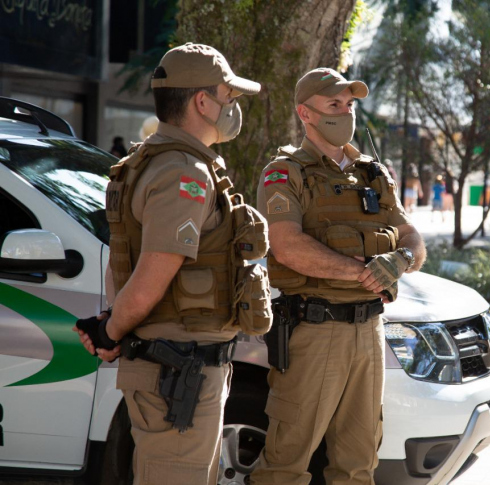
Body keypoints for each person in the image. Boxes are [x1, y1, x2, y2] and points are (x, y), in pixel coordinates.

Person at [73, 43, 267, 485]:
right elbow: (148, 280)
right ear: (203, 101)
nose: (233, 107)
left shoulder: (144, 164)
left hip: (176, 368)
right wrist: (112, 332)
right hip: (178, 373)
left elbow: (122, 262)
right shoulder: (185, 173)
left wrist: (113, 324)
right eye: (229, 96)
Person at [252, 67, 426, 485]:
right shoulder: (285, 172)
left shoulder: (372, 173)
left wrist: (401, 261)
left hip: (369, 331)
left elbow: (412, 237)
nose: (345, 113)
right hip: (316, 330)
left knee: (358, 463)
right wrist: (363, 272)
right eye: (334, 104)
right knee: (285, 463)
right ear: (305, 113)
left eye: (349, 104)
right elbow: (287, 245)